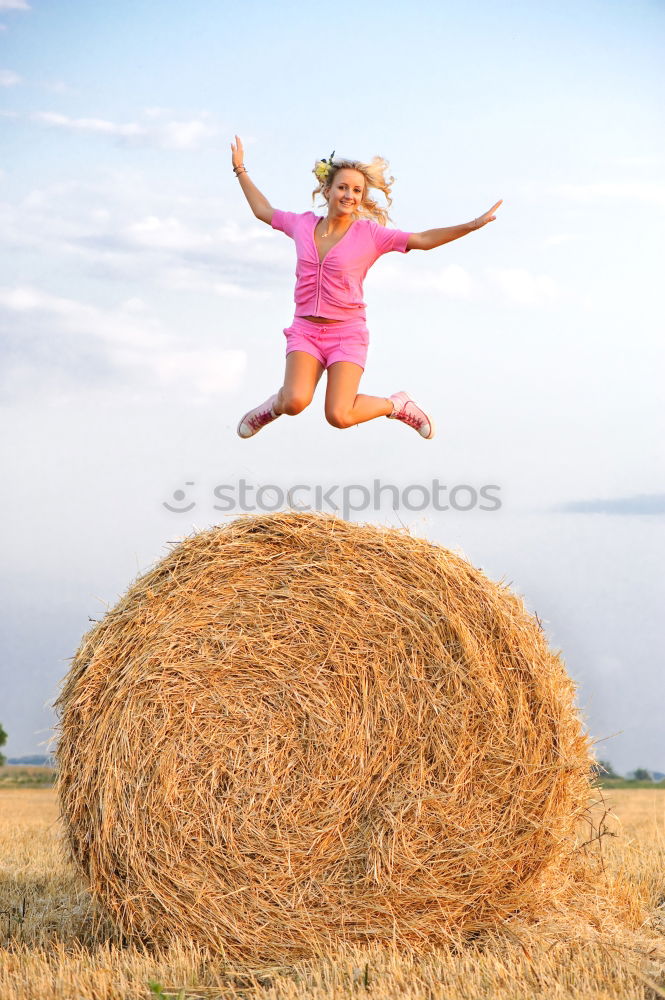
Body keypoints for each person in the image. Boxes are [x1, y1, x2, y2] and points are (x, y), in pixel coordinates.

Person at [231, 135, 502, 440]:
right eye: (343, 187)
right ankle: (272, 407)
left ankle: (397, 405)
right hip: (306, 330)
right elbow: (262, 210)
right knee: (294, 401)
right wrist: (240, 169)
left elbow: (423, 240)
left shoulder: (370, 235)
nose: (349, 195)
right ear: (327, 189)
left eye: (357, 190)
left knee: (339, 415)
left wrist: (471, 225)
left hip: (346, 333)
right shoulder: (302, 225)